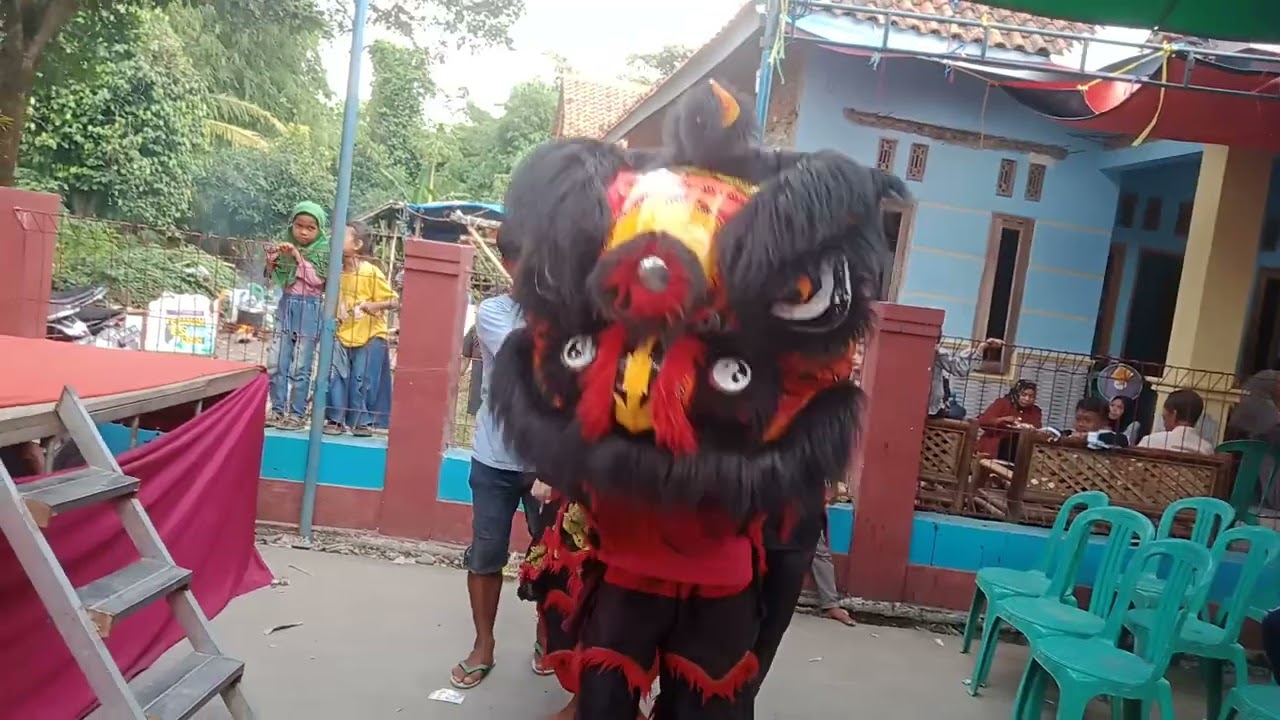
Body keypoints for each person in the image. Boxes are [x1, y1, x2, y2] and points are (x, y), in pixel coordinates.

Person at [489, 79, 903, 719]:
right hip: (634, 578)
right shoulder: (603, 367)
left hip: (719, 587)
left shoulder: (771, 393)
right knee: (610, 700)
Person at [449, 230, 544, 692]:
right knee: (487, 553)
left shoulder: (570, 316)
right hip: (495, 459)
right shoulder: (493, 313)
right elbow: (528, 359)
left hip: (551, 465)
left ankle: (551, 638)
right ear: (508, 264)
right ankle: (483, 643)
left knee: (555, 558)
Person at [323, 222, 398, 436]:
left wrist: (374, 306)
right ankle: (335, 418)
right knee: (335, 376)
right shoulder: (335, 273)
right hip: (343, 332)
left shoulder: (371, 272)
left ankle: (361, 421)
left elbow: (394, 300)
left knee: (361, 379)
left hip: (370, 334)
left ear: (357, 244)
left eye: (342, 235)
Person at [265, 202, 330, 430]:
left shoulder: (323, 251)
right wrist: (272, 260)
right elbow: (274, 276)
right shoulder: (285, 245)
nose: (303, 232)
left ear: (319, 229)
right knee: (276, 361)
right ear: (291, 225)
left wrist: (297, 257)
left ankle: (297, 413)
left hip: (310, 307)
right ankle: (277, 409)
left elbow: (317, 281)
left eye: (310, 228)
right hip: (286, 305)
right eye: (299, 226)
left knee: (300, 366)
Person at [928, 338, 1003, 418]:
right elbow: (961, 368)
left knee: (958, 411)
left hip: (933, 405)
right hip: (931, 409)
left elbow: (960, 368)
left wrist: (982, 347)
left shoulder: (937, 352)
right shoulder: (937, 352)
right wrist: (982, 347)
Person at [976, 380, 1042, 460]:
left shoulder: (1035, 411)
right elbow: (983, 421)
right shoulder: (1002, 403)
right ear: (1016, 394)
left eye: (1031, 396)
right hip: (996, 446)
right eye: (1024, 395)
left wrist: (1031, 429)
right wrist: (1003, 420)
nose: (1027, 399)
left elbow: (1038, 429)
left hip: (1020, 450)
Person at [1137, 388, 1215, 455]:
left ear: (1174, 414)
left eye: (1164, 418)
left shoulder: (1151, 441)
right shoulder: (1207, 449)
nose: (1164, 424)